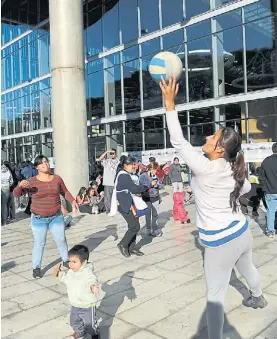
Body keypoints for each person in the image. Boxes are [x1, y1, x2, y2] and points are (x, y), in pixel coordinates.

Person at [160, 77, 267, 339]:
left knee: (215, 296)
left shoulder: (206, 167)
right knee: (248, 268)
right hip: (242, 233)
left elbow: (178, 140)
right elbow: (244, 191)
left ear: (219, 149)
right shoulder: (234, 168)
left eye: (214, 136)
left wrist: (169, 103)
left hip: (220, 243)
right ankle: (258, 297)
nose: (208, 136)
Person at [13, 155, 78, 278]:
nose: (46, 164)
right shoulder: (31, 181)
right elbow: (16, 194)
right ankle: (36, 267)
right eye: (42, 163)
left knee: (61, 240)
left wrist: (73, 201)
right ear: (37, 167)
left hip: (56, 217)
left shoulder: (57, 178)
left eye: (46, 162)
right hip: (38, 219)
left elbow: (65, 192)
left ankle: (65, 260)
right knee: (39, 243)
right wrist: (20, 186)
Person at [54, 245, 100, 339]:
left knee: (89, 324)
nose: (70, 264)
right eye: (69, 261)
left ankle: (95, 334)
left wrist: (92, 286)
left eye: (74, 262)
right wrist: (60, 274)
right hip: (75, 304)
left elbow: (92, 280)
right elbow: (67, 279)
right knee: (74, 322)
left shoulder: (87, 272)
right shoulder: (71, 272)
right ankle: (80, 332)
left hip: (87, 305)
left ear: (84, 262)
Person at [113, 156, 148, 257]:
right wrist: (145, 187)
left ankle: (131, 248)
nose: (134, 166)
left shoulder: (126, 174)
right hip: (124, 204)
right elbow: (134, 189)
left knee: (133, 225)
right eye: (132, 164)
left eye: (134, 164)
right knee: (135, 226)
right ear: (125, 165)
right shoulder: (123, 175)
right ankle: (123, 244)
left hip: (129, 203)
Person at [139, 162, 164, 237]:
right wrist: (150, 184)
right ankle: (148, 229)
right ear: (150, 168)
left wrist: (157, 185)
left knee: (155, 214)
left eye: (156, 169)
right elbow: (141, 186)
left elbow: (161, 184)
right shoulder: (143, 176)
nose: (156, 171)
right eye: (154, 169)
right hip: (147, 197)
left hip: (155, 197)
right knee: (148, 214)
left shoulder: (156, 175)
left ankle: (155, 228)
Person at [259, 142, 277, 238]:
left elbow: (261, 177)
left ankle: (270, 231)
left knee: (270, 211)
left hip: (270, 191)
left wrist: (265, 188)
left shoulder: (266, 161)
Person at [98, 149, 119, 214]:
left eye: (113, 153)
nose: (112, 155)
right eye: (111, 153)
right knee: (107, 198)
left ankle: (115, 209)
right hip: (107, 183)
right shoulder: (107, 161)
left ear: (115, 154)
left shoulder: (118, 161)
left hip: (115, 183)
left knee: (115, 198)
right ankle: (108, 210)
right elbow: (99, 159)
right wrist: (106, 152)